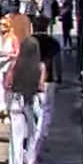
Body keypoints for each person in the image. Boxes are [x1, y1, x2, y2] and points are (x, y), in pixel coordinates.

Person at [6, 36, 46, 164]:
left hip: (17, 101)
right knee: (33, 135)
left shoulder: (15, 64)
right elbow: (41, 87)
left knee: (16, 137)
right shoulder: (40, 67)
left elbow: (8, 84)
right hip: (32, 101)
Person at [32, 15, 62, 147]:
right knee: (47, 110)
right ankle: (41, 137)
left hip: (31, 78)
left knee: (33, 109)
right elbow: (57, 62)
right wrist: (59, 76)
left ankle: (33, 136)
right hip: (49, 80)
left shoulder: (29, 41)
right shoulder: (53, 43)